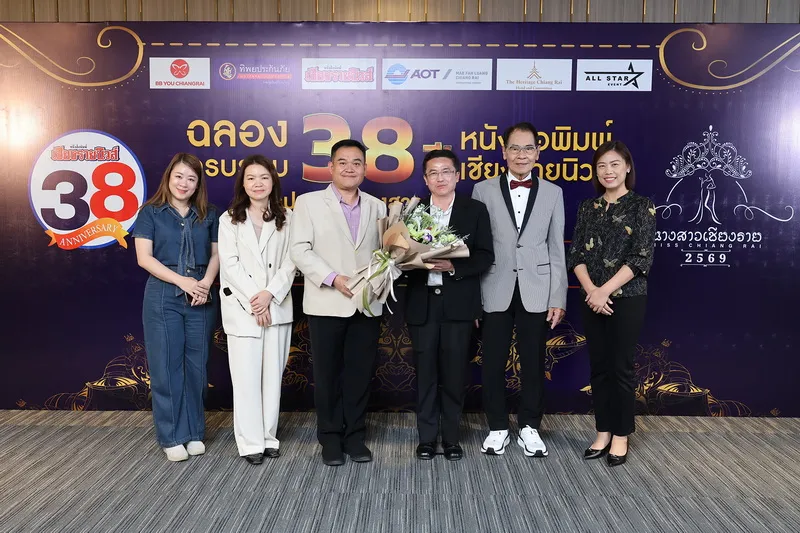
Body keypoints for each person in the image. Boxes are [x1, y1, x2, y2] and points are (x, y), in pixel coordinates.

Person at [471, 122, 567, 458]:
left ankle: (530, 427)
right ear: (504, 152)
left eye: (528, 148)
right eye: (515, 148)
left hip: (537, 289)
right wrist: (474, 299)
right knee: (492, 361)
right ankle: (497, 426)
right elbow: (476, 247)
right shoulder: (482, 190)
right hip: (494, 286)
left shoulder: (553, 192)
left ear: (538, 153)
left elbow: (556, 248)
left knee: (533, 362)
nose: (521, 154)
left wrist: (557, 297)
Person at [289, 139, 387, 466]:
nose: (349, 168)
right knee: (328, 375)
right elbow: (299, 249)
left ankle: (355, 436)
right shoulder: (308, 203)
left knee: (360, 374)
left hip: (366, 304)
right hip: (327, 301)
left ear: (365, 169)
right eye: (342, 162)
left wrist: (378, 278)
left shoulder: (378, 207)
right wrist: (334, 278)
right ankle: (330, 438)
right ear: (330, 167)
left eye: (356, 163)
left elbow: (385, 255)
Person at [567, 140, 656, 467]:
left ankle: (621, 434)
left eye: (615, 164)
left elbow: (641, 258)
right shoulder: (587, 207)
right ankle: (602, 431)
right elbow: (576, 254)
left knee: (621, 367)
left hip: (627, 298)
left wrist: (604, 291)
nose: (608, 171)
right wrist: (592, 290)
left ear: (627, 167)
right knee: (599, 367)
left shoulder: (642, 206)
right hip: (591, 298)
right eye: (602, 165)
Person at [403, 149, 494, 461]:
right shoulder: (413, 212)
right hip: (423, 305)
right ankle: (427, 438)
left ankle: (452, 438)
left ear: (457, 175)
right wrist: (407, 260)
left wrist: (454, 267)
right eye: (433, 173)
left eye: (446, 171)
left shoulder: (474, 210)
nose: (440, 178)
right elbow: (397, 255)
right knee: (425, 375)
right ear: (426, 179)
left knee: (455, 375)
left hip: (458, 306)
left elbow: (485, 255)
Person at [133, 153, 219, 462]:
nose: (184, 183)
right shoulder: (150, 212)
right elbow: (144, 258)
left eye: (191, 179)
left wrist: (205, 283)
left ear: (198, 184)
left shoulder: (209, 214)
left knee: (197, 366)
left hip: (201, 295)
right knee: (166, 367)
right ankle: (171, 436)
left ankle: (194, 431)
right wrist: (183, 282)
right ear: (169, 177)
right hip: (163, 294)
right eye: (179, 176)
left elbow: (216, 255)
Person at [218, 155, 295, 466]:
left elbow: (291, 262)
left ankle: (268, 437)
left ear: (273, 181)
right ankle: (250, 442)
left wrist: (269, 294)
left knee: (272, 377)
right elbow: (230, 265)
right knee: (246, 378)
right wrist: (255, 299)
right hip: (243, 308)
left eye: (264, 177)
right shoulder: (229, 219)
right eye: (251, 178)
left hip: (277, 306)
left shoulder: (288, 217)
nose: (258, 183)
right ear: (243, 183)